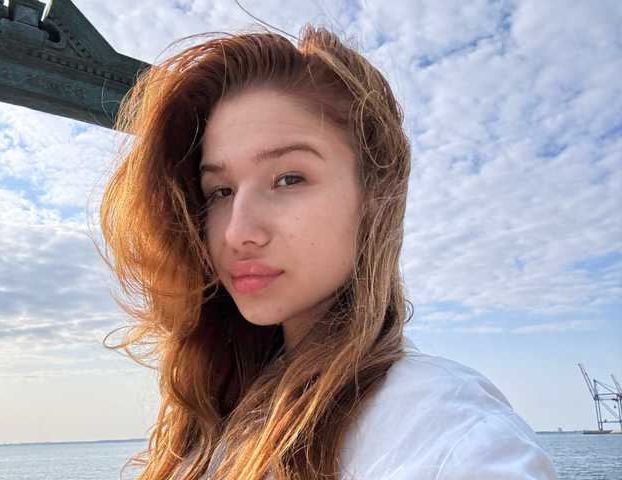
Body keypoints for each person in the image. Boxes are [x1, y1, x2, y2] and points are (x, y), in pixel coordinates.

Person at [98, 24, 559, 480]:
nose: (238, 232)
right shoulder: (214, 411)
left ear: (374, 196)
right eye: (220, 191)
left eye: (288, 179)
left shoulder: (447, 432)